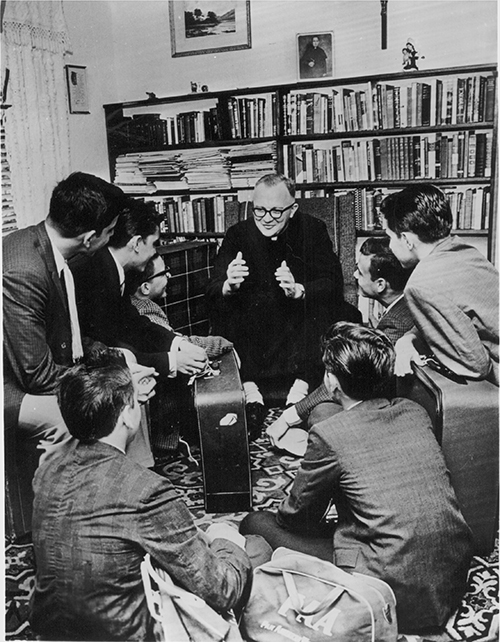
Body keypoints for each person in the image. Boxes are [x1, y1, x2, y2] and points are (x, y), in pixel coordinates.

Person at [240, 322, 474, 634]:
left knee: (255, 523)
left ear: (332, 382)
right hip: (449, 581)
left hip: (387, 593)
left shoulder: (329, 434)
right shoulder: (414, 411)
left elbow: (294, 518)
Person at [30, 348, 271, 641]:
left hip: (53, 631)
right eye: (134, 401)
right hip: (128, 633)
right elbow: (222, 590)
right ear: (127, 418)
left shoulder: (47, 471)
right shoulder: (146, 490)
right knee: (255, 546)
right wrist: (225, 539)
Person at [3, 171, 156, 466]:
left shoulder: (52, 250)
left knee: (127, 368)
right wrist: (113, 383)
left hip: (42, 373)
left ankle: (137, 480)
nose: (113, 238)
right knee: (104, 406)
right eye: (110, 232)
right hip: (13, 393)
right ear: (89, 238)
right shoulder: (24, 272)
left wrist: (118, 363)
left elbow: (67, 337)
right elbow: (37, 377)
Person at [205, 173, 344, 436]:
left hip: (296, 320)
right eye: (259, 210)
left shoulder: (313, 229)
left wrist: (299, 291)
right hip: (254, 324)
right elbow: (212, 288)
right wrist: (228, 285)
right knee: (228, 306)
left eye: (276, 211)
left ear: (292, 209)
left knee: (323, 307)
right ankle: (252, 395)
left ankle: (299, 394)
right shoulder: (237, 234)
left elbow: (333, 282)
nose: (267, 218)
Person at [267, 236, 414, 446]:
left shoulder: (397, 323)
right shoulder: (401, 307)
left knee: (321, 415)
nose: (354, 275)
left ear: (380, 284)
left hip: (388, 408)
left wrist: (287, 417)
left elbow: (345, 379)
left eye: (360, 272)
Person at [72, 198, 208, 380]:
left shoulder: (108, 267)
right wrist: (171, 361)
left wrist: (179, 344)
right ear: (136, 243)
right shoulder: (92, 276)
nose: (154, 253)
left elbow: (133, 323)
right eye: (154, 244)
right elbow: (108, 347)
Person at [381, 184, 499, 385]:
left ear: (407, 240)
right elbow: (458, 315)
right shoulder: (464, 251)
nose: (390, 246)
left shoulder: (420, 285)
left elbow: (477, 365)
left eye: (389, 236)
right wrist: (409, 338)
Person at [127, 253, 233, 454]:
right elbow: (178, 343)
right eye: (164, 272)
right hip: (161, 418)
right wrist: (222, 344)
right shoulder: (145, 311)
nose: (170, 277)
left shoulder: (139, 305)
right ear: (145, 287)